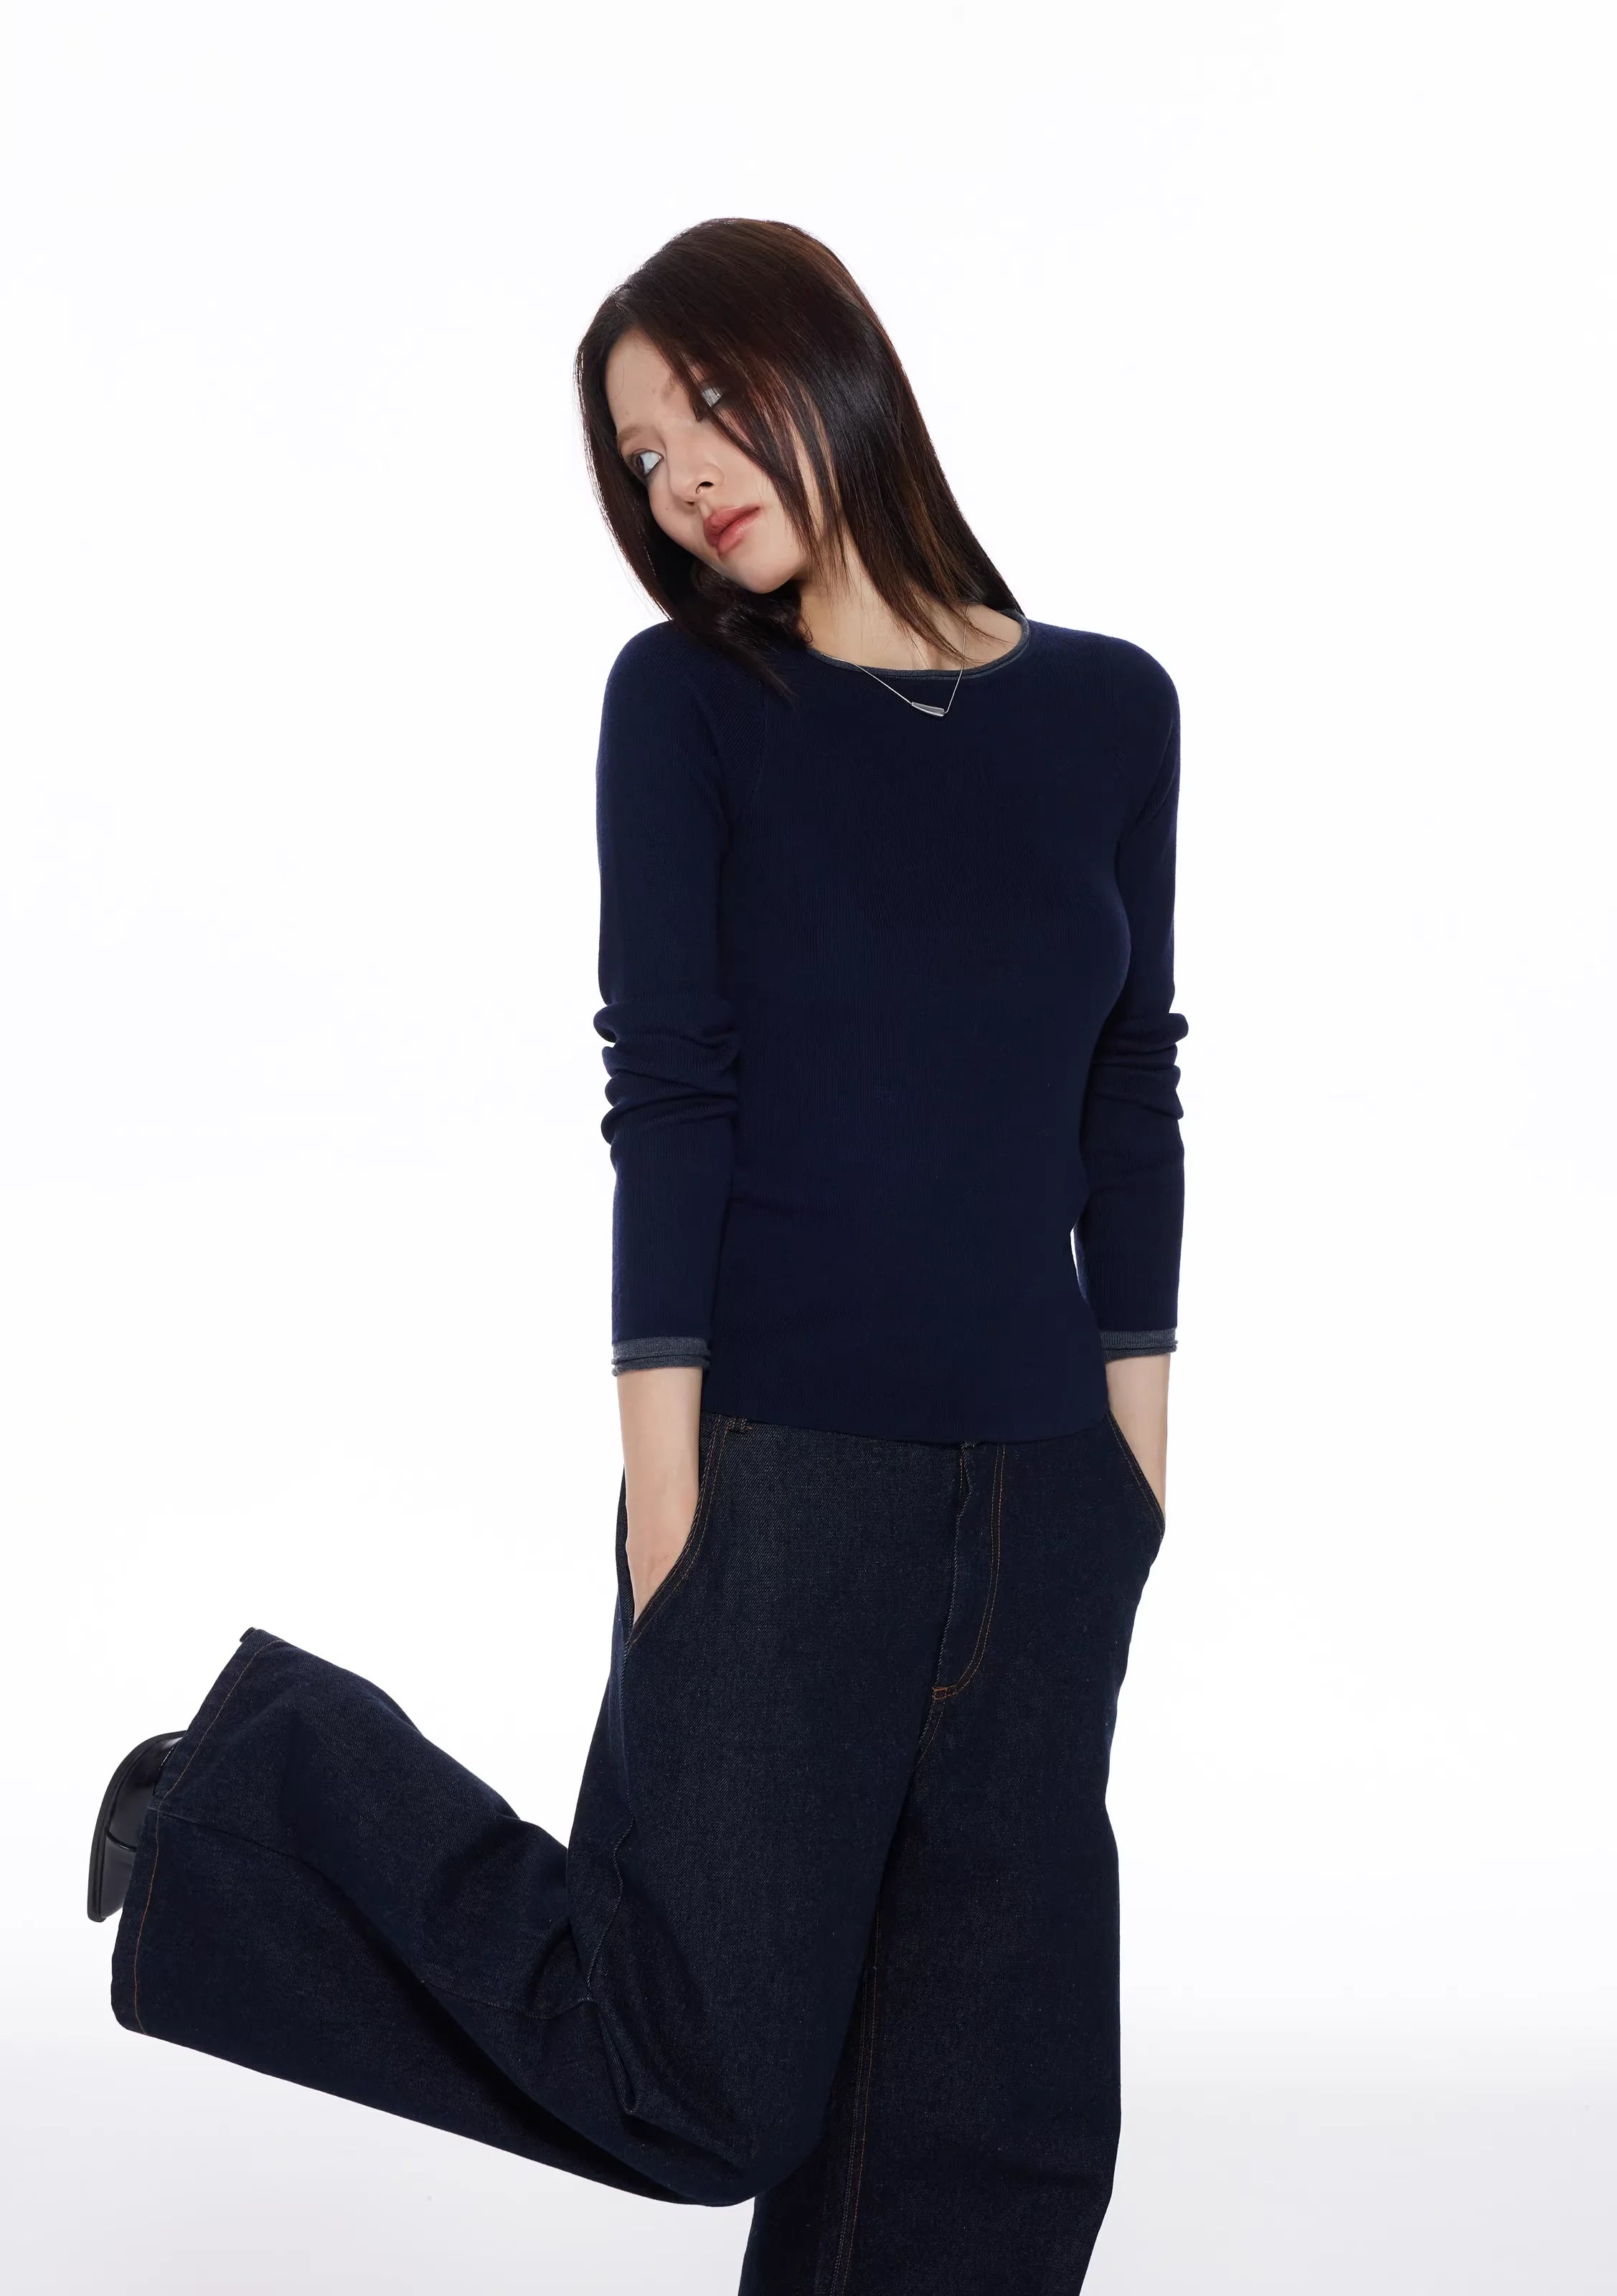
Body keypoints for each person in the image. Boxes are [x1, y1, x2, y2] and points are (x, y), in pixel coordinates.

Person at [88, 216, 1187, 2295]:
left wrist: (1138, 1457)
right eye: (639, 454)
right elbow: (668, 1091)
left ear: (835, 364)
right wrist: (671, 1488)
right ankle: (240, 1798)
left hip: (1052, 1492)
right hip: (786, 1473)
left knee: (998, 2120)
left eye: (704, 411)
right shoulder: (689, 701)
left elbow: (1131, 1091)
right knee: (699, 2072)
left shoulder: (1112, 708)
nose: (678, 479)